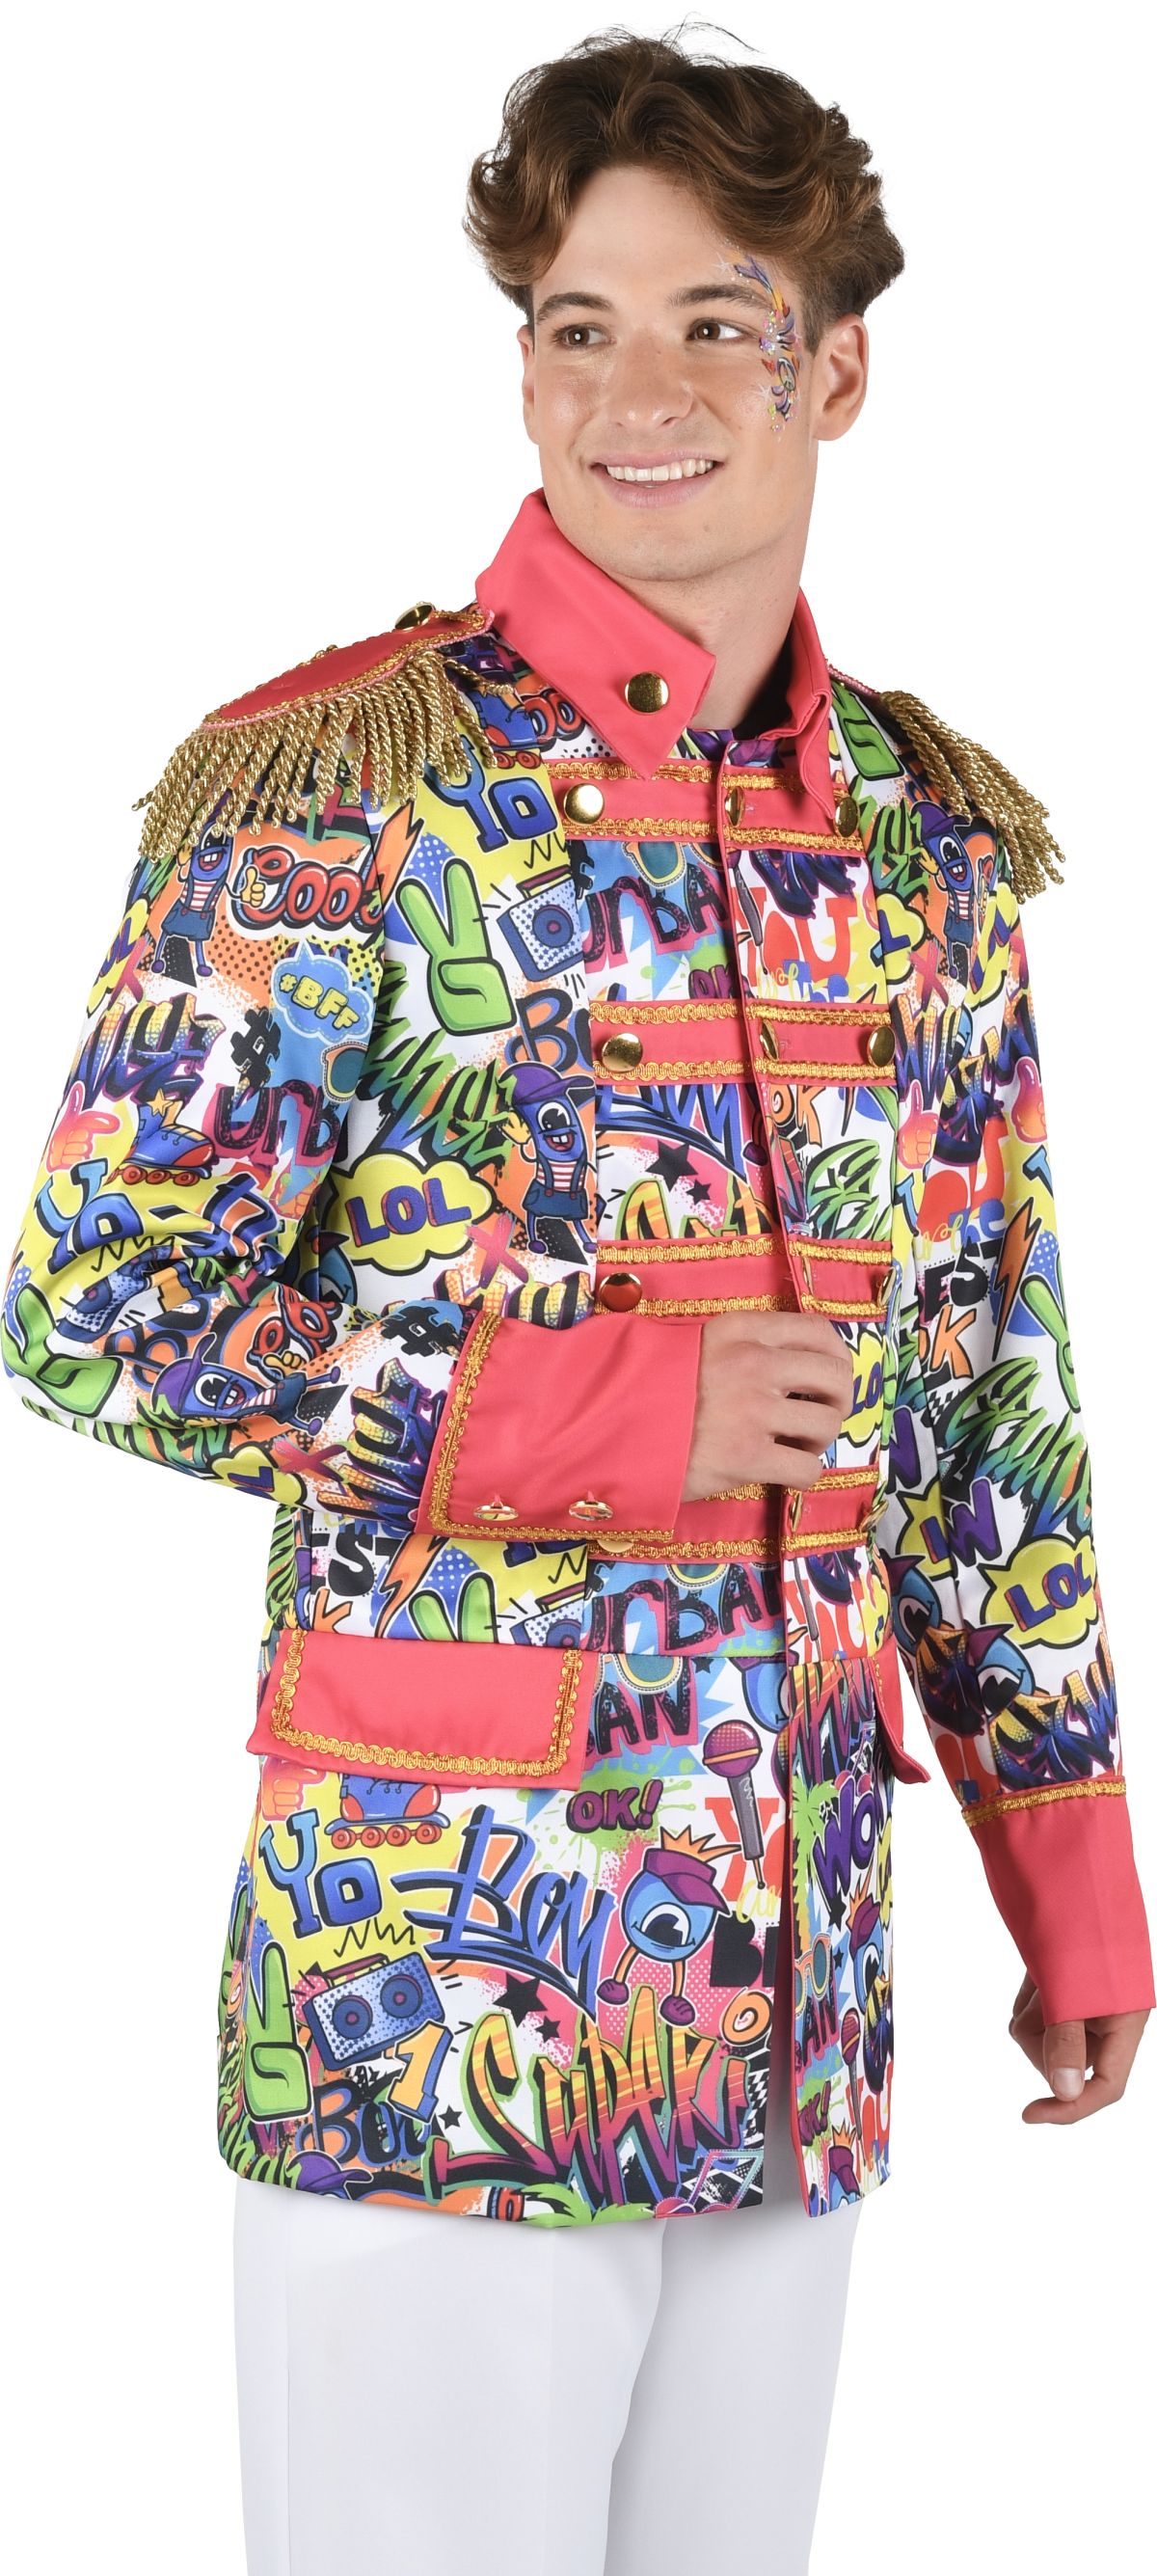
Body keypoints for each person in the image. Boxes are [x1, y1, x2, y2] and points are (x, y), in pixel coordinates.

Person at [3, 24, 1152, 2576]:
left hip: (795, 1988)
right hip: (437, 1990)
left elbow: (989, 1393)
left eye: (719, 321)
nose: (642, 392)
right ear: (520, 363)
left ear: (837, 368)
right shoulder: (335, 790)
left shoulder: (930, 843)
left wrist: (1065, 1858)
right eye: (578, 326)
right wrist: (616, 1406)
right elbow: (91, 1305)